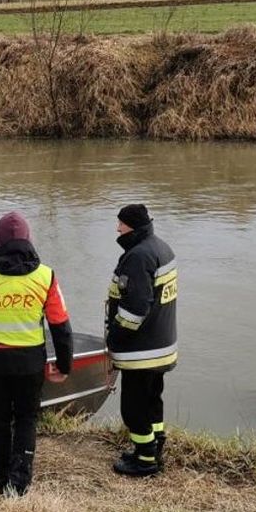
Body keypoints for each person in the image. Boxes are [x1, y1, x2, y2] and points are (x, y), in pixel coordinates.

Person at [0, 212, 72, 496]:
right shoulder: (46, 275)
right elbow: (61, 325)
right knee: (27, 419)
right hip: (30, 362)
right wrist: (65, 364)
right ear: (28, 240)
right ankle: (18, 484)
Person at [106, 204, 178, 477]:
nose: (117, 229)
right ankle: (154, 446)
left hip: (141, 351)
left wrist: (114, 338)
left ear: (132, 226)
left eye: (121, 224)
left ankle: (145, 459)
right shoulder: (162, 248)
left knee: (134, 407)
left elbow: (134, 310)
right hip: (161, 345)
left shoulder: (137, 257)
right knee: (152, 400)